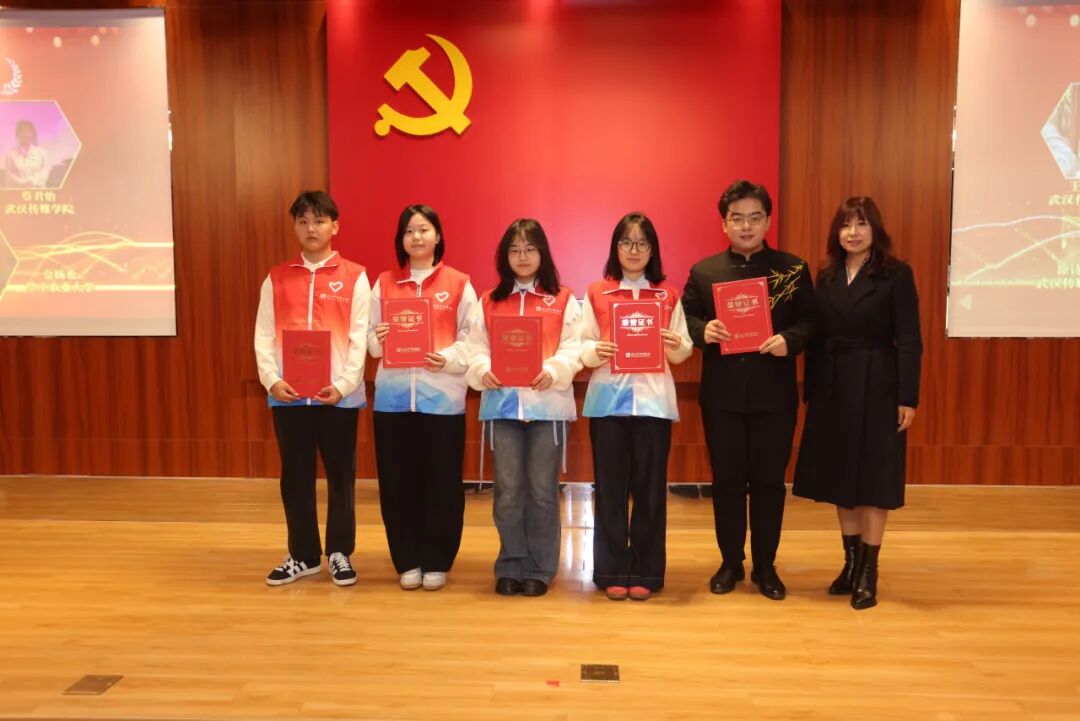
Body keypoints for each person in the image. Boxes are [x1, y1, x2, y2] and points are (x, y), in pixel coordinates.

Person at [682, 179, 816, 601]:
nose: (746, 226)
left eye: (754, 218)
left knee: (769, 483)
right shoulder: (704, 272)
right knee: (726, 481)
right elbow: (685, 318)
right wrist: (704, 331)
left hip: (773, 396)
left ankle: (765, 565)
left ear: (768, 221)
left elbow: (812, 321)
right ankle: (730, 561)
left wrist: (790, 340)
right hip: (722, 396)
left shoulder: (792, 270)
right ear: (724, 223)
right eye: (737, 218)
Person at [793, 197, 922, 610]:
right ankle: (849, 564)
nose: (852, 232)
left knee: (873, 482)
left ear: (875, 230)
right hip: (833, 388)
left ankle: (869, 571)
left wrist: (907, 397)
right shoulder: (827, 275)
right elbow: (815, 336)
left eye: (861, 224)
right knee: (841, 479)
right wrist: (812, 389)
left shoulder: (896, 274)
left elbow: (910, 340)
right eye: (846, 225)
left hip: (878, 385)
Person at [254, 190, 371, 587]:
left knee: (341, 475)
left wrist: (343, 385)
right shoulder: (276, 278)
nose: (311, 228)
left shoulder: (355, 277)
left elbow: (359, 337)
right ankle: (303, 555)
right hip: (289, 396)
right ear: (295, 227)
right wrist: (272, 379)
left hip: (338, 397)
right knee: (295, 476)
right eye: (303, 221)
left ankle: (339, 552)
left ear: (335, 226)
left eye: (319, 221)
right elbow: (263, 334)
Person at [466, 219, 582, 598]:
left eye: (530, 249)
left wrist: (555, 370)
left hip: (547, 409)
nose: (522, 256)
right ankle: (510, 564)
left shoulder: (562, 299)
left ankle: (540, 567)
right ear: (505, 257)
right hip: (502, 409)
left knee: (543, 491)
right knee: (508, 491)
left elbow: (573, 347)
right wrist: (482, 370)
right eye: (514, 250)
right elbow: (475, 348)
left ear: (542, 253)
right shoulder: (489, 300)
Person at [580, 213, 693, 601]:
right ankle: (611, 568)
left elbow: (683, 348)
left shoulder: (667, 295)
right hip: (607, 404)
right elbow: (581, 343)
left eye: (642, 243)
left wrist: (674, 344)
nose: (634, 250)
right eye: (626, 242)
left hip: (653, 405)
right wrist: (595, 350)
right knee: (609, 490)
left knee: (650, 491)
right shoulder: (597, 292)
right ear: (615, 248)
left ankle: (646, 571)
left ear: (652, 250)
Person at [368, 204, 478, 591]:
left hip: (442, 401)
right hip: (393, 402)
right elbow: (368, 339)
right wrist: (379, 338)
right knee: (398, 482)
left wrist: (447, 358)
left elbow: (472, 338)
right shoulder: (384, 283)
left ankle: (437, 559)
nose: (416, 237)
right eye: (409, 231)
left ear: (438, 236)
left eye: (424, 229)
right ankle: (407, 559)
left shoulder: (459, 283)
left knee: (442, 482)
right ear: (401, 239)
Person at [3, 120, 49, 188]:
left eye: (28, 131)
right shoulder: (10, 154)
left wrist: (32, 181)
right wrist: (21, 182)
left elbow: (45, 172)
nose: (25, 134)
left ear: (32, 134)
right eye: (22, 131)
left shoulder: (42, 153)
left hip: (37, 191)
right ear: (17, 135)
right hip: (17, 191)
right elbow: (8, 175)